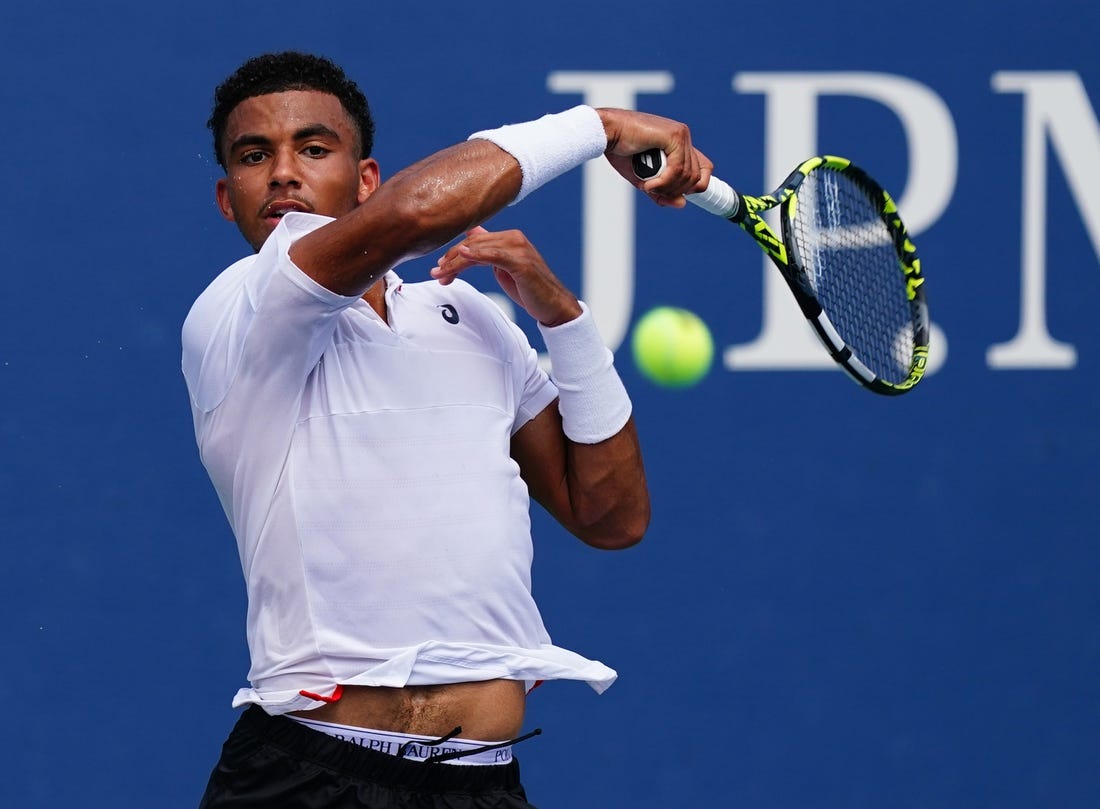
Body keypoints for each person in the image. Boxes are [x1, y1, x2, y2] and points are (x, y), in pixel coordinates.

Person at [183, 51, 711, 808]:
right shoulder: (240, 306)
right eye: (253, 156)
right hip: (303, 780)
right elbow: (413, 214)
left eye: (314, 147)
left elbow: (611, 515)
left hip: (480, 785)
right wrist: (598, 126)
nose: (283, 173)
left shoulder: (472, 321)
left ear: (362, 177)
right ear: (226, 198)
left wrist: (564, 322)